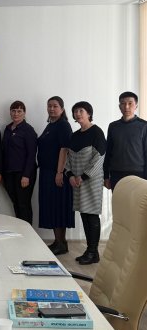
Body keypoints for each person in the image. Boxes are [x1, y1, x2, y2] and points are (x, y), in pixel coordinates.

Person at [65, 101, 106, 265]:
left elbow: (100, 158)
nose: (77, 114)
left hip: (91, 181)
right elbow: (68, 157)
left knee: (92, 215)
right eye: (75, 111)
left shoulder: (96, 132)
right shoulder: (74, 135)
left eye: (81, 110)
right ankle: (90, 251)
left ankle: (93, 251)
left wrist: (83, 176)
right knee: (83, 214)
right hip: (76, 181)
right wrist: (70, 175)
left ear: (89, 113)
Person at [38, 96, 74, 255]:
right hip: (47, 172)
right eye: (49, 106)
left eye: (55, 106)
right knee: (51, 207)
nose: (51, 109)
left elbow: (64, 149)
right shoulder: (51, 125)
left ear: (62, 109)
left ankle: (61, 243)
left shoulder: (63, 125)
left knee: (58, 207)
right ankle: (58, 242)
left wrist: (59, 172)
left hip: (57, 173)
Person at [2, 100, 37, 224]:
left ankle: (27, 232)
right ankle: (20, 230)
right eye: (13, 111)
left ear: (24, 113)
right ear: (10, 112)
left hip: (23, 174)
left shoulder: (28, 130)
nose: (16, 114)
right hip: (9, 173)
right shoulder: (7, 129)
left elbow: (31, 154)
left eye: (19, 111)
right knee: (16, 203)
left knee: (23, 204)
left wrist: (26, 175)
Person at [103, 91, 147, 190]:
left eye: (130, 103)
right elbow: (108, 151)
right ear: (119, 107)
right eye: (123, 103)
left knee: (136, 200)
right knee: (118, 200)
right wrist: (106, 176)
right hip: (116, 173)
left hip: (138, 174)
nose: (126, 107)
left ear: (136, 106)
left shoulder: (144, 126)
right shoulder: (113, 126)